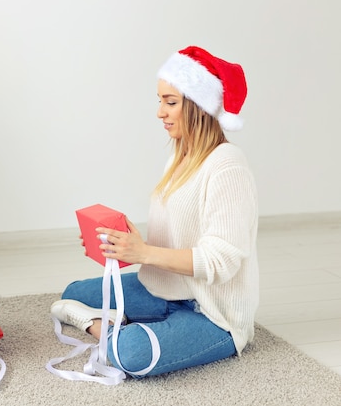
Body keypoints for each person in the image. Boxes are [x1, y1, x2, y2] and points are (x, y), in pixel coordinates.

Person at [51, 46, 258, 377]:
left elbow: (221, 261)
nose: (160, 112)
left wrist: (144, 252)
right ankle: (128, 326)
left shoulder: (227, 166)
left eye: (170, 102)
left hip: (211, 312)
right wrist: (130, 245)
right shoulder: (179, 158)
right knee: (73, 294)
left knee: (131, 352)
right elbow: (181, 235)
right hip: (167, 288)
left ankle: (105, 330)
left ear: (201, 107)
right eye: (160, 100)